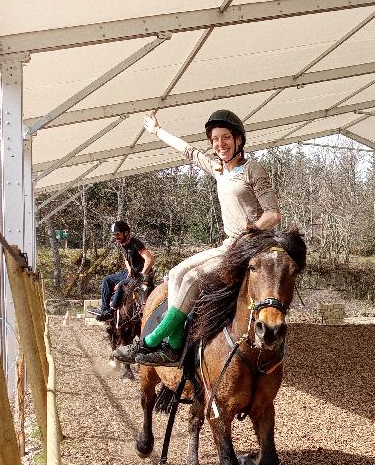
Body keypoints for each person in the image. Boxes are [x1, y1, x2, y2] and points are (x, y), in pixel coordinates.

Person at [113, 109, 281, 366]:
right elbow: (189, 152)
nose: (220, 144)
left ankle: (148, 342)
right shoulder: (218, 169)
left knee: (192, 278)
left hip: (252, 246)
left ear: (239, 140)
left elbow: (273, 214)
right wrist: (158, 131)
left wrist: (252, 231)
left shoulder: (252, 169)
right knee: (176, 272)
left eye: (225, 137)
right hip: (229, 245)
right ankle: (176, 345)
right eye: (215, 139)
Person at [90, 220, 154, 321]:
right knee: (107, 280)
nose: (116, 237)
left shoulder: (136, 244)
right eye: (114, 235)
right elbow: (126, 259)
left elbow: (149, 259)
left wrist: (143, 274)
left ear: (126, 233)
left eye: (118, 234)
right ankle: (104, 309)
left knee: (121, 285)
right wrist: (129, 271)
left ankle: (111, 312)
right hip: (132, 274)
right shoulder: (122, 244)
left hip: (141, 276)